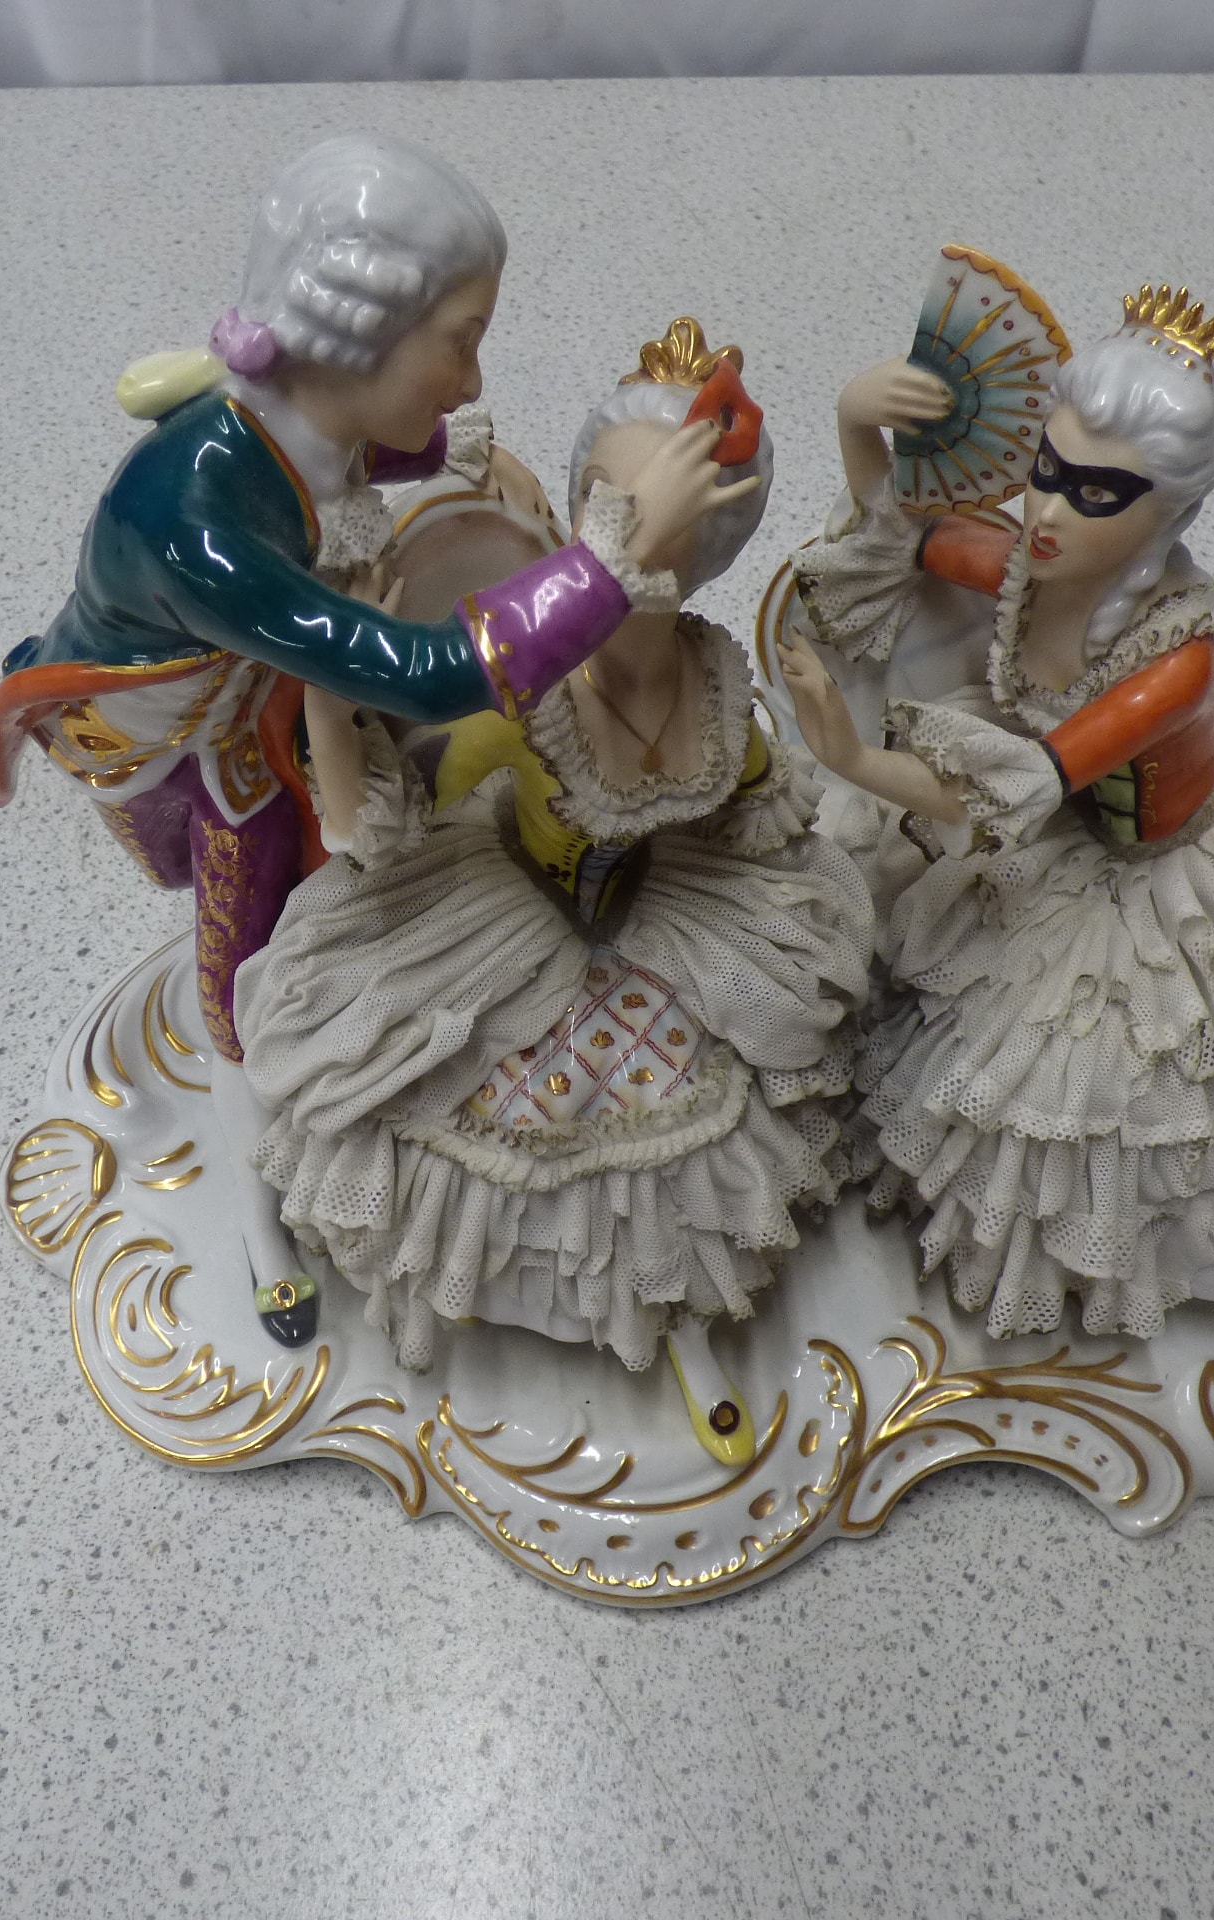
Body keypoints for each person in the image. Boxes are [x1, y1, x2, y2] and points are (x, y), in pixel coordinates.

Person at [0, 136, 743, 1346]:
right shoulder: (192, 526)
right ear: (357, 333)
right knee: (242, 964)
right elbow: (424, 669)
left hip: (285, 692)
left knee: (363, 882)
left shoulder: (310, 422)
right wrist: (606, 563)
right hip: (204, 742)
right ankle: (258, 1225)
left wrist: (471, 470)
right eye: (461, 339)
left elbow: (399, 455)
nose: (474, 376)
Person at [234, 321, 874, 1463]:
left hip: (660, 919)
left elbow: (756, 802)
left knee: (695, 1133)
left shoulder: (717, 678)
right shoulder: (528, 690)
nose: (630, 535)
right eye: (603, 504)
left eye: (669, 514)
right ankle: (273, 1215)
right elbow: (368, 832)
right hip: (500, 918)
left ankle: (676, 1315)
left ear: (715, 541)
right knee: (401, 1095)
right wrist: (331, 686)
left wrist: (835, 789)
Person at [779, 284, 1214, 1340]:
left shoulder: (1172, 669)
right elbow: (901, 538)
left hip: (1165, 867)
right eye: (1046, 473)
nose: (1048, 512)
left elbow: (1004, 791)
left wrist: (850, 758)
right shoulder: (1030, 569)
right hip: (1064, 828)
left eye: (1097, 493)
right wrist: (854, 422)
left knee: (1180, 1092)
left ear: (1172, 511)